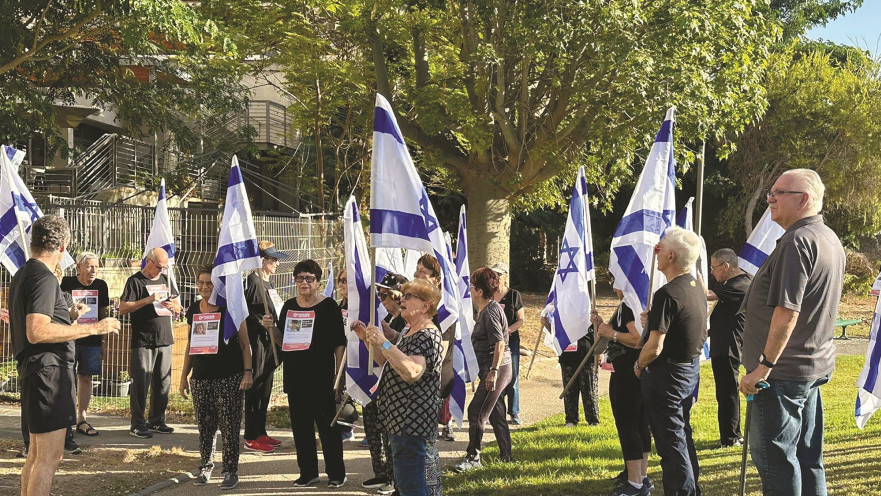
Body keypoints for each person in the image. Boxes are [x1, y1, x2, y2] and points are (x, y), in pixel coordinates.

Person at [738, 169, 844, 495]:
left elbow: (788, 312)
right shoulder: (826, 237)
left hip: (780, 375)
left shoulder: (798, 242)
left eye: (779, 192)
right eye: (771, 191)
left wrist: (762, 367)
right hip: (807, 368)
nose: (770, 198)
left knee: (777, 461)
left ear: (805, 200)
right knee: (806, 458)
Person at [10, 215, 120, 496]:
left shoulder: (24, 273)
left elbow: (38, 324)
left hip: (38, 373)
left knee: (36, 456)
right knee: (49, 458)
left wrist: (69, 317)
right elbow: (36, 330)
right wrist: (94, 327)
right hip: (48, 375)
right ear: (63, 246)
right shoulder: (44, 278)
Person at [352, 278, 445, 496]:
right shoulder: (409, 330)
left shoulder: (427, 334)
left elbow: (412, 372)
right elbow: (386, 361)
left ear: (426, 305)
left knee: (412, 486)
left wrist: (384, 342)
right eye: (404, 295)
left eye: (410, 296)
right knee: (405, 484)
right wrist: (368, 339)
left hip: (411, 422)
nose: (403, 299)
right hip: (400, 422)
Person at [261, 259, 347, 488]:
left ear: (318, 282)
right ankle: (308, 472)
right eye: (300, 278)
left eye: (309, 278)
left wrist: (339, 376)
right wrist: (271, 327)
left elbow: (340, 342)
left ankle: (336, 473)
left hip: (323, 377)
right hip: (296, 376)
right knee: (301, 428)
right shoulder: (289, 306)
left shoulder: (329, 306)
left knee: (328, 428)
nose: (304, 282)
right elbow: (282, 341)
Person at [634, 226, 707, 496]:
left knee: (670, 444)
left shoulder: (667, 293)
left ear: (673, 256)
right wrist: (655, 319)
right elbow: (682, 323)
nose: (657, 252)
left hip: (669, 376)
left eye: (661, 248)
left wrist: (639, 365)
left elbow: (654, 347)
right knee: (681, 436)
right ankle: (691, 489)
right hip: (688, 372)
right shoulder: (694, 286)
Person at [179, 265, 253, 490]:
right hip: (201, 378)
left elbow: (244, 343)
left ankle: (230, 471)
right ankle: (205, 465)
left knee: (229, 426)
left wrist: (248, 372)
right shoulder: (194, 309)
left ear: (219, 285)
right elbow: (191, 345)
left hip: (229, 377)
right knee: (205, 425)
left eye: (209, 283)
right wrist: (184, 376)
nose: (203, 287)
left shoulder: (230, 309)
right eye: (200, 283)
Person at [592, 284, 653, 496]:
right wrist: (602, 326)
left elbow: (638, 339)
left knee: (629, 425)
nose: (612, 285)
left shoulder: (629, 305)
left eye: (615, 279)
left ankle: (636, 483)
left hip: (629, 372)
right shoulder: (630, 304)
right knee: (638, 422)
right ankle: (640, 476)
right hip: (632, 371)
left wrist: (613, 333)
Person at [119, 247, 182, 439]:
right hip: (143, 340)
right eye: (159, 267)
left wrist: (175, 307)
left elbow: (178, 305)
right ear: (149, 261)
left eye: (164, 267)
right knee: (141, 383)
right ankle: (137, 424)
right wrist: (147, 300)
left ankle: (157, 420)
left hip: (164, 338)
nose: (161, 270)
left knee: (163, 382)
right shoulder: (135, 281)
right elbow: (123, 307)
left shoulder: (166, 279)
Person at [454, 267, 513, 472]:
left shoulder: (490, 311)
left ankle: (473, 458)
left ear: (480, 290)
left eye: (472, 286)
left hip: (497, 369)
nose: (469, 289)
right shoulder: (485, 309)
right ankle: (507, 456)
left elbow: (499, 343)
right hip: (491, 369)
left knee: (476, 411)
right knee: (495, 413)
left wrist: (493, 371)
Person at [361, 272, 408, 494]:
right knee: (375, 428)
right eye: (379, 296)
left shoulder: (405, 321)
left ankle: (394, 477)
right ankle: (382, 473)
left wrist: (387, 337)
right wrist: (365, 336)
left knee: (391, 435)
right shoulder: (388, 319)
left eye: (385, 296)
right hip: (381, 381)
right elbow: (380, 356)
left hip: (397, 387)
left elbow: (400, 355)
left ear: (398, 296)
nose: (382, 301)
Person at [242, 241, 288, 453]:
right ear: (262, 260)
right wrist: (260, 323)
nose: (276, 263)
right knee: (256, 386)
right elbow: (248, 314)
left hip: (271, 342)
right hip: (257, 342)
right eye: (272, 259)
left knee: (266, 387)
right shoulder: (253, 281)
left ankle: (260, 430)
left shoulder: (269, 283)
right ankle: (250, 435)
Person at [61, 252, 110, 438]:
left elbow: (103, 313)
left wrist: (103, 341)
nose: (93, 270)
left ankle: (82, 418)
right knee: (66, 378)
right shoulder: (66, 283)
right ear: (78, 267)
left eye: (96, 266)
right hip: (70, 338)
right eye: (89, 266)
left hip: (92, 339)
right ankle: (65, 420)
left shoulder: (101, 286)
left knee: (86, 378)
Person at [706, 248, 751, 448]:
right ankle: (729, 435)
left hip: (729, 346)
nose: (711, 272)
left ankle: (732, 437)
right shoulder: (731, 283)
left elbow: (706, 295)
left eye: (713, 267)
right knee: (724, 392)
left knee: (728, 392)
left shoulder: (740, 283)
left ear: (726, 266)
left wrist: (692, 273)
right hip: (722, 343)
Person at [413, 254, 456, 442]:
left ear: (436, 279)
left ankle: (428, 473)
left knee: (426, 444)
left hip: (434, 380)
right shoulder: (419, 304)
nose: (417, 274)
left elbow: (440, 351)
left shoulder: (443, 311)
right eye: (417, 269)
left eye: (423, 271)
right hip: (418, 377)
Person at [492, 263, 525, 425]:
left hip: (511, 343)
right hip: (492, 344)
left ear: (505, 276)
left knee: (512, 377)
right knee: (495, 377)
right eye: (493, 274)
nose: (496, 278)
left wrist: (508, 331)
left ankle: (514, 412)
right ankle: (497, 412)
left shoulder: (513, 295)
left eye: (499, 274)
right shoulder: (488, 295)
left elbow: (521, 320)